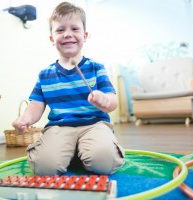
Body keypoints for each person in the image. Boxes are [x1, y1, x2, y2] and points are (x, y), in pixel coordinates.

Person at [12, 1, 124, 176]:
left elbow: (113, 102)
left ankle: (82, 151)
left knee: (104, 163)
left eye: (74, 29)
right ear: (52, 38)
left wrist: (104, 100)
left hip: (94, 124)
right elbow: (35, 105)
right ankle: (74, 151)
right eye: (60, 30)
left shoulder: (97, 68)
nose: (67, 34)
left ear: (85, 36)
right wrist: (24, 119)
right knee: (44, 168)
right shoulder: (44, 75)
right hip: (59, 127)